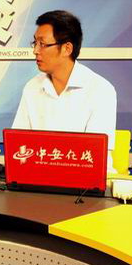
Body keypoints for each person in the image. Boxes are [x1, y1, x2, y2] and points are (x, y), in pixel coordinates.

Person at [11, 10, 117, 169]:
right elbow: (19, 146)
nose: (35, 50)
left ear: (67, 48)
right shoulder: (32, 88)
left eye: (43, 44)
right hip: (39, 177)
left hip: (84, 180)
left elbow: (95, 157)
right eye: (35, 43)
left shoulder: (101, 90)